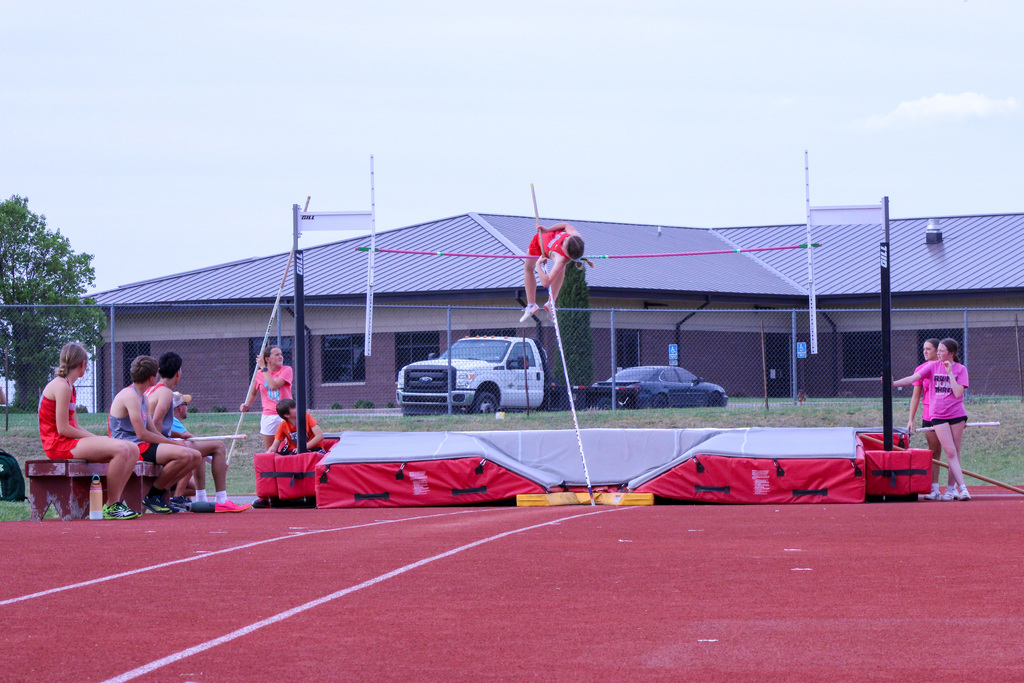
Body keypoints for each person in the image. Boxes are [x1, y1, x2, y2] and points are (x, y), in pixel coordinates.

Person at [38, 343, 141, 519]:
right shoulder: (61, 386)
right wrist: (98, 439)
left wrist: (97, 438)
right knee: (121, 449)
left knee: (133, 448)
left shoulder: (70, 387)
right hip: (57, 444)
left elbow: (75, 426)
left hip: (67, 441)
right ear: (83, 364)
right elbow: (63, 428)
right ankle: (111, 505)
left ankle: (116, 501)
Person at [146, 352, 248, 513]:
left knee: (196, 447)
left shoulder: (151, 390)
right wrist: (166, 443)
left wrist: (179, 435)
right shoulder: (166, 393)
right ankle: (222, 500)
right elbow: (156, 422)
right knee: (218, 446)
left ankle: (201, 498)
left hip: (151, 443)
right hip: (154, 446)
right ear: (178, 373)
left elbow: (151, 423)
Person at [109, 355, 200, 514]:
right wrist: (171, 443)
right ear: (152, 378)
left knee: (196, 456)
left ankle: (158, 494)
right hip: (132, 446)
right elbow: (142, 434)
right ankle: (153, 495)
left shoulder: (142, 396)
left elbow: (151, 429)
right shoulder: (130, 396)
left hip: (142, 443)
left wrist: (176, 437)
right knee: (184, 455)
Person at [892, 338, 970, 501]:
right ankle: (957, 488)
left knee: (954, 452)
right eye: (938, 350)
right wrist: (892, 384)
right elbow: (912, 379)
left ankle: (952, 489)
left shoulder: (961, 369)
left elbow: (957, 393)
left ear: (951, 354)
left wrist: (950, 373)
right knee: (948, 451)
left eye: (942, 351)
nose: (939, 354)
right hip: (938, 415)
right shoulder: (932, 366)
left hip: (956, 415)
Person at [519, 222, 593, 322]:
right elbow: (565, 225)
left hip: (540, 244)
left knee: (529, 268)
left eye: (565, 241)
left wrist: (538, 265)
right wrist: (547, 229)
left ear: (566, 251)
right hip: (541, 236)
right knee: (559, 270)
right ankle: (539, 304)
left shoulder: (561, 259)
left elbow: (546, 282)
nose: (565, 237)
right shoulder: (576, 238)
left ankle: (544, 303)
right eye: (567, 237)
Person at [907, 338, 943, 501]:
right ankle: (934, 488)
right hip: (929, 415)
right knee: (934, 451)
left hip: (946, 414)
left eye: (929, 349)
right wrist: (911, 419)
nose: (925, 352)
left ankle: (954, 487)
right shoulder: (921, 369)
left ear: (938, 351)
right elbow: (915, 397)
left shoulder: (946, 367)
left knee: (951, 452)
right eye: (924, 349)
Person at [240, 346, 293, 451]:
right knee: (270, 450)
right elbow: (253, 393)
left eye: (281, 354)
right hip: (269, 414)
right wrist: (246, 405)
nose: (281, 356)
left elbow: (274, 386)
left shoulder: (287, 370)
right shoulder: (259, 374)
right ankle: (272, 467)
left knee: (290, 447)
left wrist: (263, 368)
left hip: (286, 413)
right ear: (268, 359)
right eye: (277, 354)